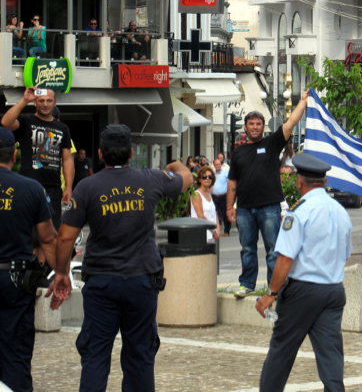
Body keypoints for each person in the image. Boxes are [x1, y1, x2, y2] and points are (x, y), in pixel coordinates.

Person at [50, 124, 193, 392]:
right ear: (130, 153)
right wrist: (174, 164)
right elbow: (187, 178)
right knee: (140, 356)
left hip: (102, 282)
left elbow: (65, 237)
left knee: (95, 355)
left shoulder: (86, 187)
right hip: (142, 281)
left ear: (101, 154)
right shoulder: (151, 179)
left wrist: (61, 273)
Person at [256, 153, 353, 392]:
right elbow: (345, 253)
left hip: (302, 291)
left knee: (281, 351)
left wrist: (271, 293)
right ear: (325, 182)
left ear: (299, 182)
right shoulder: (341, 211)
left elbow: (285, 258)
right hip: (333, 290)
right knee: (331, 355)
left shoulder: (298, 212)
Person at [227, 91, 309, 298]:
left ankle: (276, 288)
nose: (255, 127)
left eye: (258, 124)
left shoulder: (272, 144)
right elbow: (232, 182)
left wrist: (303, 102)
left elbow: (290, 123)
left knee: (274, 250)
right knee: (247, 249)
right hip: (244, 208)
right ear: (245, 127)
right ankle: (247, 284)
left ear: (263, 127)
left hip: (270, 207)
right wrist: (229, 207)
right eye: (251, 124)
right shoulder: (238, 152)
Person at [0, 127, 58, 392]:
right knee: (16, 357)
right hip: (15, 280)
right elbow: (48, 239)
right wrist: (60, 273)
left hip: (15, 278)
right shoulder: (31, 188)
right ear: (14, 155)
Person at [1, 87, 74, 230]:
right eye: (41, 100)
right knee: (27, 229)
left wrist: (69, 188)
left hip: (53, 189)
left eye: (49, 101)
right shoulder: (26, 122)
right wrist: (25, 100)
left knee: (51, 232)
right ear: (35, 102)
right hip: (27, 185)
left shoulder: (63, 128)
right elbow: (5, 122)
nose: (45, 104)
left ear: (55, 102)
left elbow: (67, 159)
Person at [191, 166, 220, 242]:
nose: (207, 179)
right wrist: (213, 230)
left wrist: (218, 229)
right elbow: (200, 216)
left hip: (211, 236)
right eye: (204, 177)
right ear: (200, 179)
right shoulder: (196, 194)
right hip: (201, 235)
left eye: (210, 177)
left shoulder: (209, 194)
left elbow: (214, 213)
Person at [212, 158, 231, 236]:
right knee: (213, 213)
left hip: (224, 196)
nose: (218, 166)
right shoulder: (212, 174)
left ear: (221, 165)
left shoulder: (226, 173)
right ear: (214, 166)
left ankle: (227, 231)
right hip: (214, 196)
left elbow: (230, 184)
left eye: (219, 164)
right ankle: (214, 230)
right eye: (216, 165)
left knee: (225, 214)